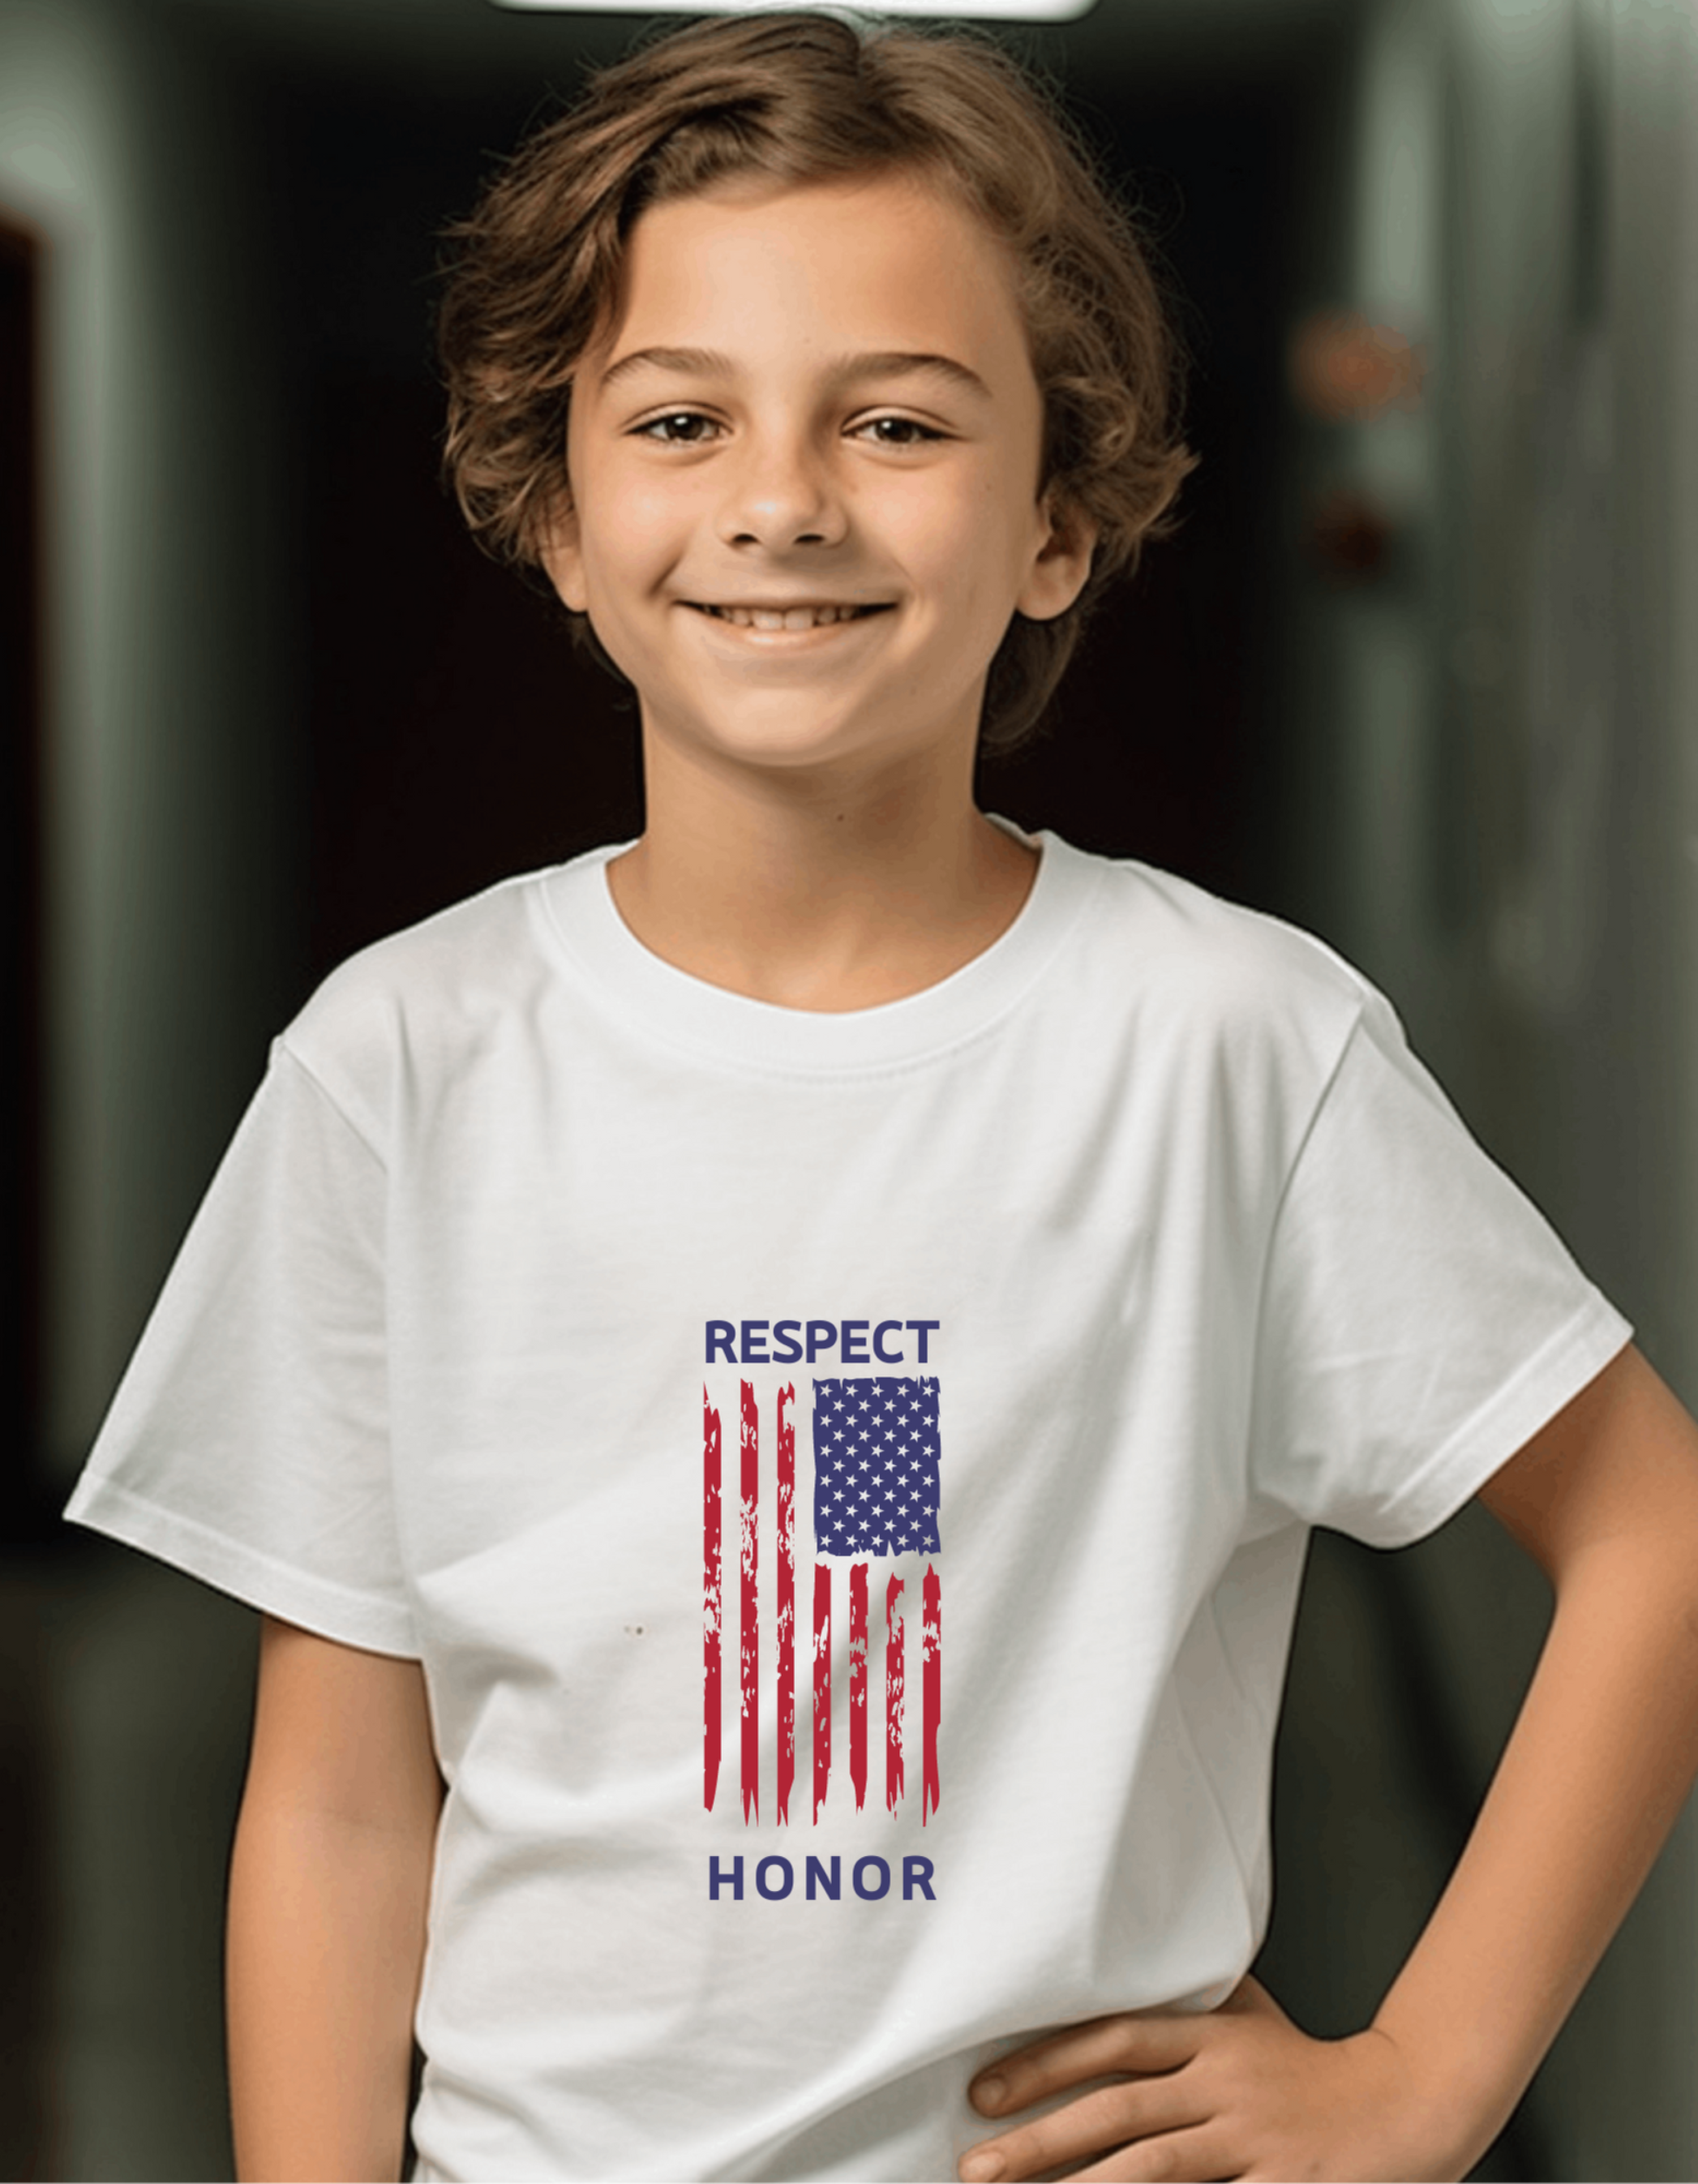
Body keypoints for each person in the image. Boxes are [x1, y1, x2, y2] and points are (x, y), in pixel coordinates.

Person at [65, 14, 1698, 2184]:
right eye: (681, 419)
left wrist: (1426, 2078)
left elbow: (1653, 1530)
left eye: (900, 422)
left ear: (1059, 520)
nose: (782, 504)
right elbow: (345, 1802)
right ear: (560, 518)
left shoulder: (1227, 1047)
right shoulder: (403, 1064)